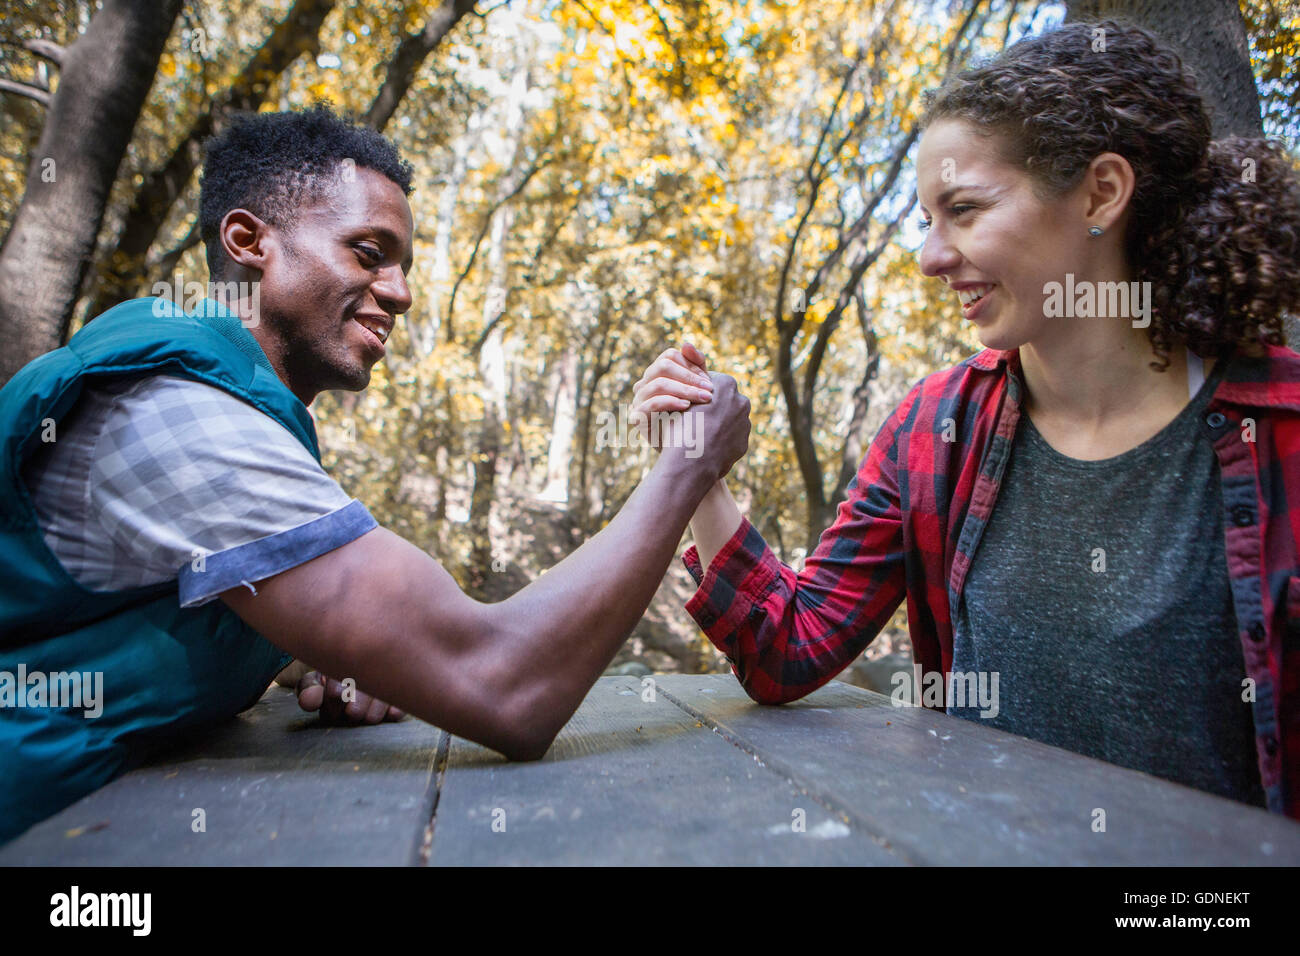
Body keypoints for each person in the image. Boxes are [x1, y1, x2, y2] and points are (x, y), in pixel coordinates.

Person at [0, 105, 750, 843]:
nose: (400, 292)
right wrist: (688, 466)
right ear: (248, 240)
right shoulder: (177, 418)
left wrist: (307, 658)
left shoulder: (224, 408)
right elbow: (507, 684)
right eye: (368, 251)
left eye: (403, 266)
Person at [633, 20, 1300, 818]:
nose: (929, 255)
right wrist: (700, 473)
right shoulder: (934, 431)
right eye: (926, 218)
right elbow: (790, 651)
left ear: (1101, 194)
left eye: (965, 210)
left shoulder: (1283, 426)